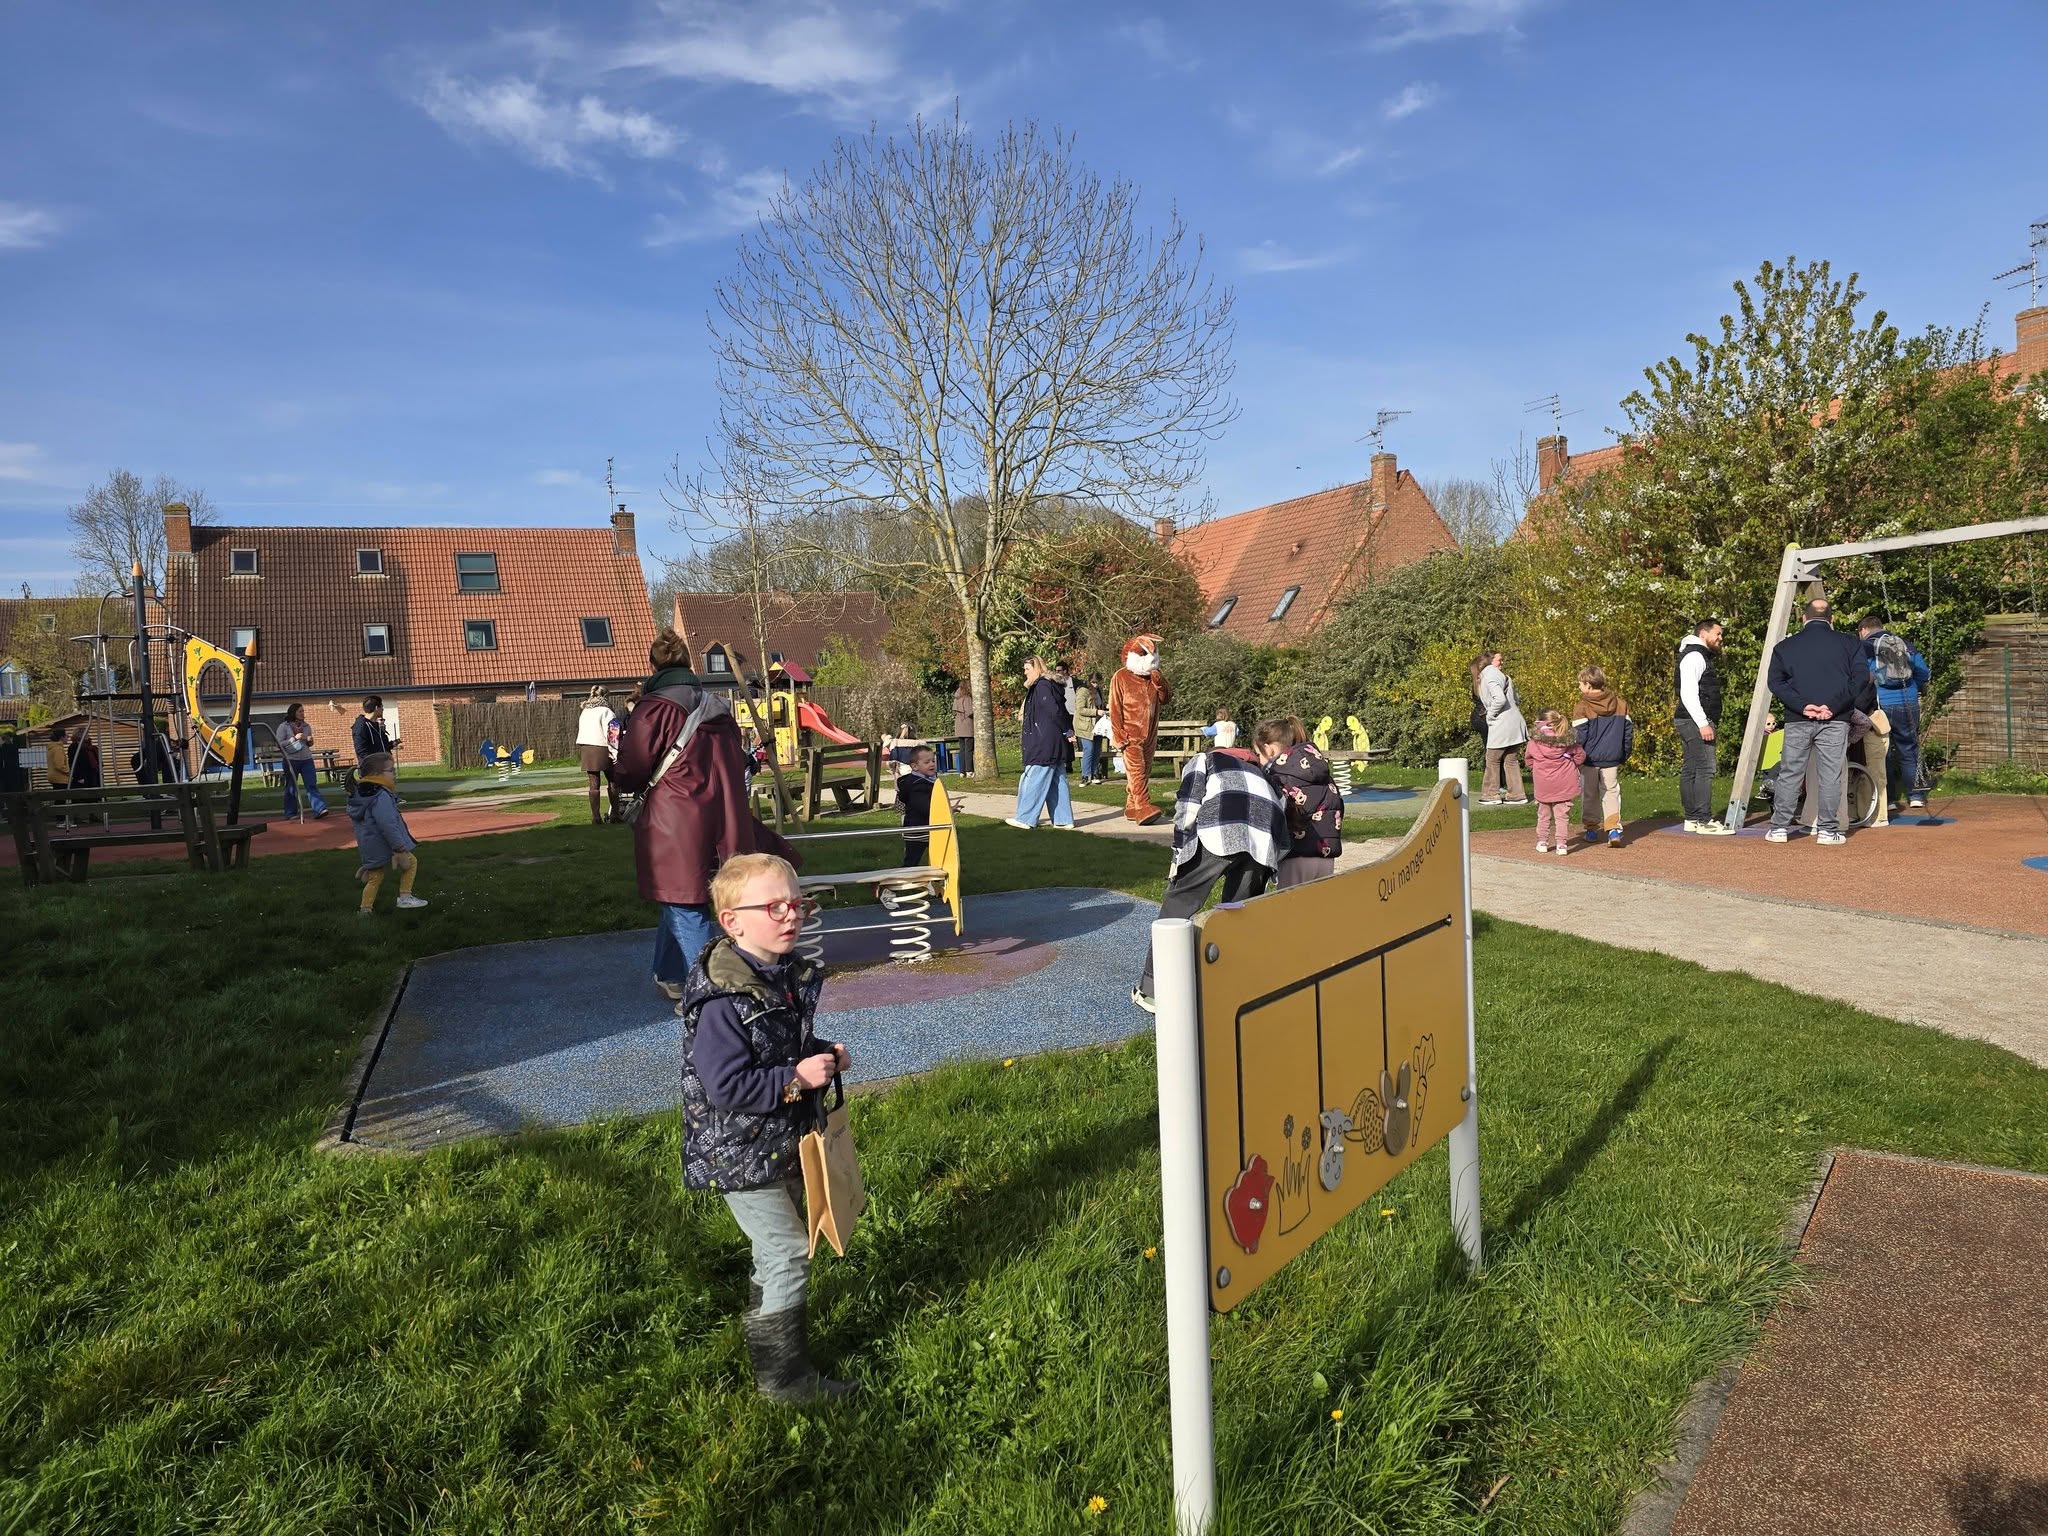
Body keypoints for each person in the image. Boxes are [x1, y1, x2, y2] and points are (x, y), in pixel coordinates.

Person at [679, 852, 853, 1404]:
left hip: (777, 1141)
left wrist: (820, 1056)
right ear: (732, 922)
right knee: (788, 1252)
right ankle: (784, 1381)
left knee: (773, 1249)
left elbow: (779, 1048)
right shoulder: (722, 1001)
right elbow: (726, 1087)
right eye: (774, 907)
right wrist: (796, 1078)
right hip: (736, 1152)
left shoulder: (781, 974)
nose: (791, 915)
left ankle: (764, 1332)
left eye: (798, 904)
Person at [617, 628, 798, 1002]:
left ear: (653, 666)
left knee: (686, 904)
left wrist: (613, 772)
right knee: (679, 897)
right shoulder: (717, 707)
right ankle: (670, 974)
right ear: (688, 664)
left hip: (674, 820)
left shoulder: (653, 709)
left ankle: (712, 995)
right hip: (725, 815)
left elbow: (631, 769)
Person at [1133, 739, 1289, 1012]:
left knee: (1178, 905)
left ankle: (1153, 991)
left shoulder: (1205, 760)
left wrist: (1179, 854)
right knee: (1237, 916)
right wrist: (1272, 865)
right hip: (1263, 844)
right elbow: (1281, 815)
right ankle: (1231, 990)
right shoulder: (1264, 775)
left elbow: (1188, 807)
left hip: (1219, 831)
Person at [1765, 597, 1874, 847]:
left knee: (1791, 773)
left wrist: (1803, 705)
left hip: (1797, 718)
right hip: (1836, 718)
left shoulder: (1785, 647)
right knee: (1831, 775)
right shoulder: (1850, 644)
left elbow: (1776, 683)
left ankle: (1779, 827)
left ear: (1804, 618)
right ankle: (1827, 830)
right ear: (1831, 619)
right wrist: (1833, 706)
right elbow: (1860, 678)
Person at [1254, 717, 1341, 886]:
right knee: (1317, 902)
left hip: (1295, 856)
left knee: (1290, 902)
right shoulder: (1322, 774)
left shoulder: (1278, 777)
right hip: (1326, 856)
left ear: (1269, 749)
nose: (1259, 760)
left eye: (1258, 754)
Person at [1858, 614, 1932, 810]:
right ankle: (1916, 796)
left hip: (1881, 704)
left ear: (1863, 630)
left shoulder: (1865, 647)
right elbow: (1923, 672)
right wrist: (1915, 687)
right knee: (1909, 748)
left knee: (1883, 750)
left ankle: (1888, 799)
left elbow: (1861, 676)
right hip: (1908, 702)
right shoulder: (1905, 645)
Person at [347, 751, 426, 914]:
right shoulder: (380, 795)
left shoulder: (361, 794)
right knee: (411, 863)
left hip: (370, 846)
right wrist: (399, 847)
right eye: (391, 770)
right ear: (376, 774)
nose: (394, 774)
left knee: (375, 877)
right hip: (386, 844)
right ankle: (405, 897)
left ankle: (365, 910)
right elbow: (388, 824)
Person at [1674, 617, 1733, 834]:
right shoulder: (1695, 656)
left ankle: (1692, 818)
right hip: (1695, 720)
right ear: (1703, 633)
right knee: (1706, 768)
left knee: (1691, 767)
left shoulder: (1695, 655)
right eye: (1717, 633)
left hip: (1689, 719)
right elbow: (1689, 693)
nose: (1720, 638)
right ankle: (1704, 820)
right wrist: (1702, 723)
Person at [1108, 633, 1172, 825]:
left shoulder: (1153, 676)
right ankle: (1143, 806)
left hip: (1150, 734)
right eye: (1144, 655)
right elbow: (1115, 707)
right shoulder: (1121, 677)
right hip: (1130, 734)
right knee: (1137, 771)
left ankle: (1131, 806)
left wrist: (1159, 682)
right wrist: (1118, 733)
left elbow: (1166, 698)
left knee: (1144, 770)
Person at [1007, 656, 1076, 830]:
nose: (1025, 673)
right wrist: (1067, 730)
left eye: (1027, 669)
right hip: (1054, 741)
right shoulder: (1049, 685)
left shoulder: (1042, 686)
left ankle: (1025, 818)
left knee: (1034, 778)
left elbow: (1053, 710)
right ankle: (1063, 819)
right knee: (1057, 780)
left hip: (1044, 742)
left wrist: (1067, 730)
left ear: (1037, 668)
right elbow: (1059, 711)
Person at [1570, 666, 1632, 847]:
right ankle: (1613, 830)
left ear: (1588, 685)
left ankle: (1591, 829)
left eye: (1580, 683)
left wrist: (1574, 757)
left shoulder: (1582, 706)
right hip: (1612, 757)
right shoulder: (1621, 704)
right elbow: (1628, 733)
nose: (1579, 687)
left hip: (1588, 759)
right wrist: (1624, 754)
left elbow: (1579, 737)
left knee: (1590, 794)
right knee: (1611, 792)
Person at [1470, 650, 1529, 806]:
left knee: (1492, 759)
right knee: (1511, 760)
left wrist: (1490, 715)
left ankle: (1490, 794)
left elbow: (1500, 699)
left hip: (1501, 724)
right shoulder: (1505, 676)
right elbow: (1516, 699)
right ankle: (1517, 795)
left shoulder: (1488, 676)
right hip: (1515, 723)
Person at [1526, 709, 1586, 856]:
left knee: (1543, 815)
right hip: (1564, 783)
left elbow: (1529, 760)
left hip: (1543, 784)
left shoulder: (1534, 743)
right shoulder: (1569, 741)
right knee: (1562, 816)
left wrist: (1538, 768)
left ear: (1540, 723)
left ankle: (1542, 842)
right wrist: (1571, 764)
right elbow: (1580, 756)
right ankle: (1561, 845)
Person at [274, 702, 330, 819]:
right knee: (291, 786)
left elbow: (309, 744)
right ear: (293, 712)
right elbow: (278, 744)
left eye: (303, 711)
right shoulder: (284, 727)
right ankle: (290, 813)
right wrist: (294, 738)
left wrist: (309, 740)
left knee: (311, 784)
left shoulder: (306, 726)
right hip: (291, 760)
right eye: (300, 711)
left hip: (306, 759)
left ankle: (319, 809)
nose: (302, 713)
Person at [576, 686, 621, 826]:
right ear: (606, 696)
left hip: (587, 748)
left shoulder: (585, 711)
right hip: (602, 747)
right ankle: (615, 814)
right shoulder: (607, 711)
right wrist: (615, 753)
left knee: (594, 783)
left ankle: (596, 817)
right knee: (613, 781)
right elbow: (613, 734)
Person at [352, 696, 395, 765]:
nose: (383, 709)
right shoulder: (361, 726)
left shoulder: (376, 725)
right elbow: (361, 751)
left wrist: (391, 745)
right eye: (382, 707)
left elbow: (382, 746)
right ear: (376, 708)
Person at [951, 681, 975, 776]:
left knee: (962, 750)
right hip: (967, 726)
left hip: (959, 726)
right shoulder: (967, 698)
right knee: (968, 750)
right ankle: (969, 770)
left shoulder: (957, 698)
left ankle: (962, 771)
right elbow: (970, 712)